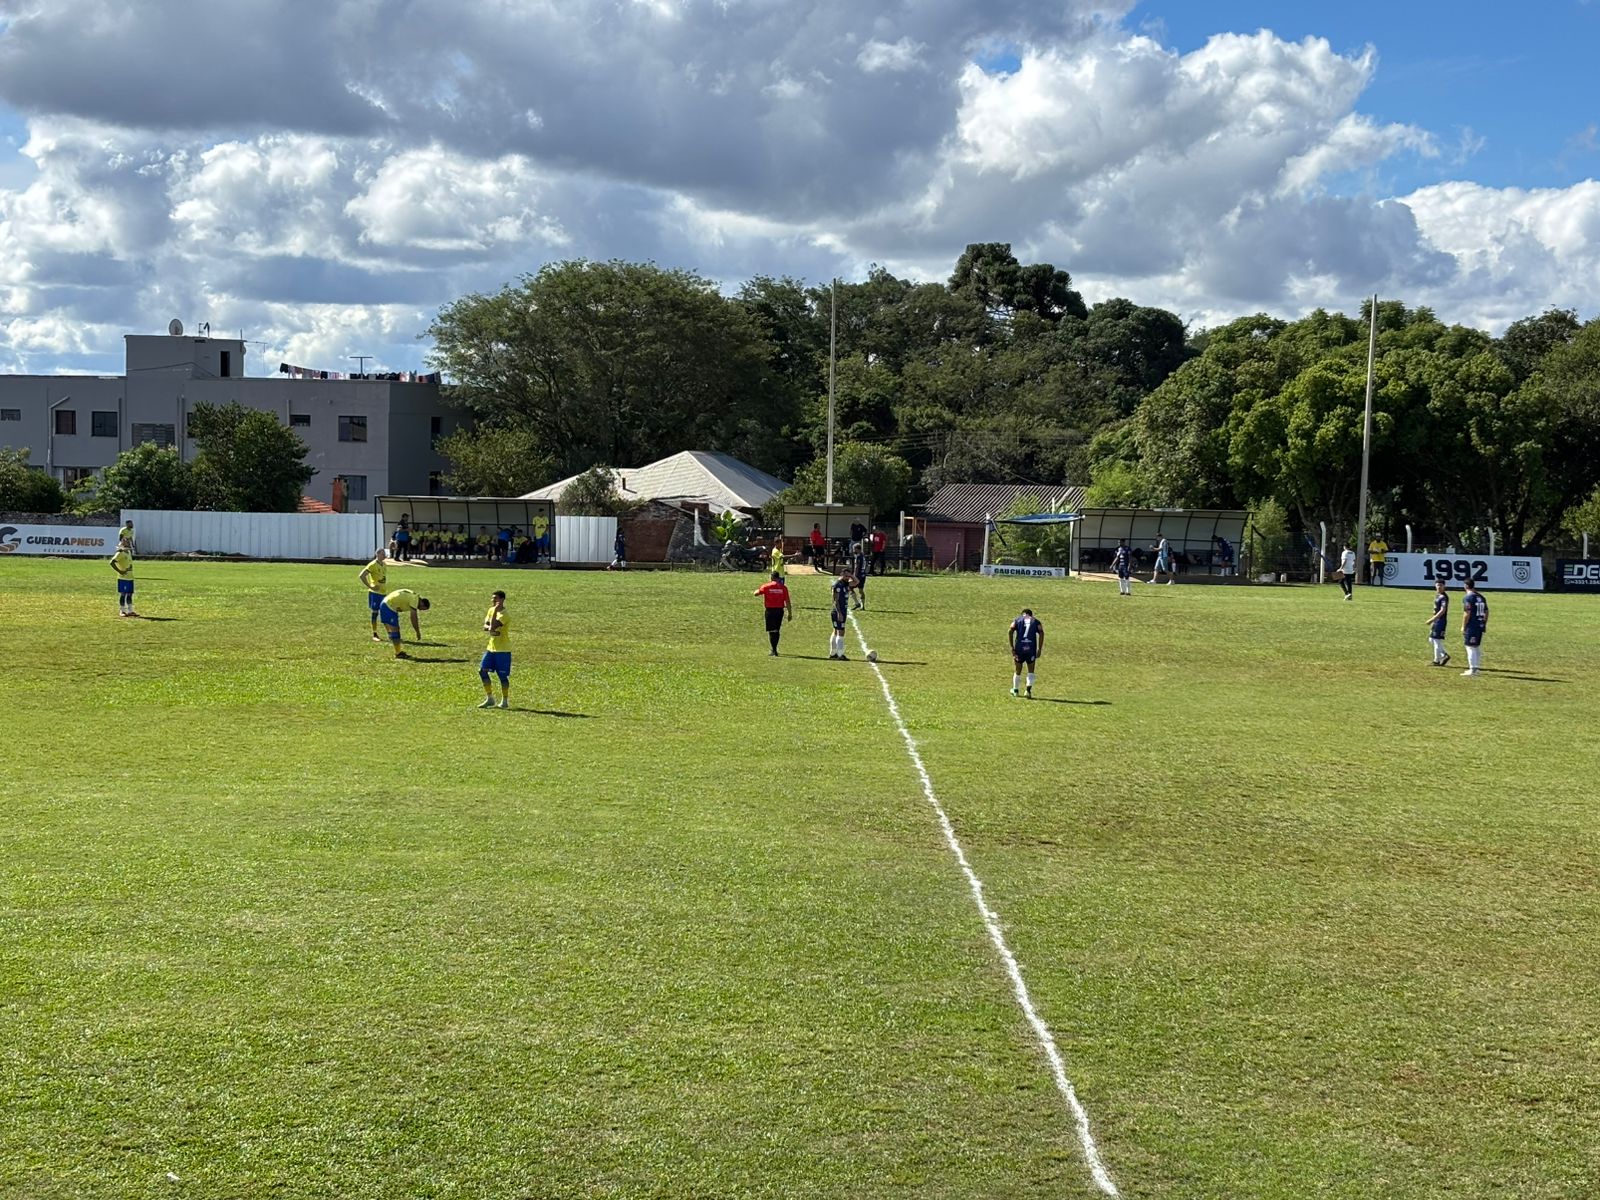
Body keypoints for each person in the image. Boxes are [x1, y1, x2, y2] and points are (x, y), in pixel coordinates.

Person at [478, 590, 512, 708]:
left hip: (503, 650)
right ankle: (490, 698)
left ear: (502, 600)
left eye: (495, 599)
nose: (493, 601)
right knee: (482, 671)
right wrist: (490, 628)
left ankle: (505, 700)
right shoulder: (491, 610)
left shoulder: (505, 615)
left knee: (502, 676)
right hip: (491, 648)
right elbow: (486, 626)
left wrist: (491, 626)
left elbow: (492, 626)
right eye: (492, 598)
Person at [378, 588, 430, 658]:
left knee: (395, 630)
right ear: (422, 603)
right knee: (395, 631)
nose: (420, 610)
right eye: (422, 608)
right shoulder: (415, 600)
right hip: (388, 606)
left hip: (387, 603)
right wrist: (417, 632)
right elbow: (413, 618)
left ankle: (397, 650)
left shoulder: (414, 596)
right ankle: (398, 653)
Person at [754, 572, 793, 656]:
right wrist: (790, 613)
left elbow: (756, 593)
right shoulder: (783, 588)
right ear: (778, 578)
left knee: (772, 631)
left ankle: (774, 650)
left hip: (770, 611)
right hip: (779, 610)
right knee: (777, 630)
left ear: (771, 577)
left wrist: (757, 591)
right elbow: (787, 601)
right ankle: (774, 649)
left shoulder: (766, 586)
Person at [1008, 608, 1043, 698]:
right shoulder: (1036, 621)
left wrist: (1012, 647)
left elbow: (1010, 630)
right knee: (1031, 670)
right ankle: (1027, 691)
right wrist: (1039, 649)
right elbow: (1041, 633)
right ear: (1031, 615)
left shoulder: (1017, 620)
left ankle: (1015, 690)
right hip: (1031, 649)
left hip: (1019, 648)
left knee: (1018, 670)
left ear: (1022, 614)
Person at [358, 548, 389, 641]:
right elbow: (362, 575)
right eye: (383, 554)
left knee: (385, 613)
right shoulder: (372, 565)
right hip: (375, 594)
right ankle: (375, 634)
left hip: (383, 593)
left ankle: (390, 632)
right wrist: (370, 587)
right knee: (375, 613)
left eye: (385, 554)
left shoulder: (384, 564)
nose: (384, 556)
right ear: (378, 554)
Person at [1460, 576, 1488, 677]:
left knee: (1470, 647)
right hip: (1480, 624)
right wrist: (1484, 623)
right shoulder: (1481, 597)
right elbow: (1486, 611)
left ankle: (1473, 669)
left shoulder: (1468, 597)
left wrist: (1463, 626)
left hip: (1472, 625)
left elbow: (1467, 613)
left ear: (1466, 586)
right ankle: (1476, 667)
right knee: (1476, 646)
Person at [827, 571, 858, 659]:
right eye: (846, 576)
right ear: (841, 575)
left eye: (848, 576)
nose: (848, 578)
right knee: (840, 632)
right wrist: (839, 613)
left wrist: (851, 575)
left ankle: (833, 654)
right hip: (838, 611)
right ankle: (840, 655)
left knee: (836, 631)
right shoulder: (837, 585)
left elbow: (857, 582)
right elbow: (835, 600)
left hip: (841, 611)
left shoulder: (845, 584)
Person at [1425, 578, 1451, 667]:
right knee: (1431, 639)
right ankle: (1444, 655)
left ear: (1444, 586)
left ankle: (1436, 660)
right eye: (1437, 585)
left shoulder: (1444, 597)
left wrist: (1432, 619)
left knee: (1436, 640)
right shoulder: (1437, 595)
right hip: (1436, 620)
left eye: (1441, 585)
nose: (1439, 587)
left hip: (1440, 621)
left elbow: (1442, 610)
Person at [109, 537, 138, 617]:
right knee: (123, 594)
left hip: (130, 577)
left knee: (129, 594)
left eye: (128, 542)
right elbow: (112, 562)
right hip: (123, 578)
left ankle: (130, 610)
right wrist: (120, 571)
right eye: (125, 542)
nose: (127, 543)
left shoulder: (128, 552)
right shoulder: (120, 553)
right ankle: (122, 611)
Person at [850, 541, 869, 609]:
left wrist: (854, 575)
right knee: (861, 590)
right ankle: (863, 606)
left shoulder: (858, 557)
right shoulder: (863, 556)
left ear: (857, 549)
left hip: (858, 575)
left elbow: (857, 566)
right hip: (863, 575)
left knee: (849, 587)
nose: (853, 550)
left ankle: (857, 603)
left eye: (854, 549)